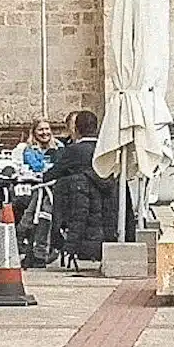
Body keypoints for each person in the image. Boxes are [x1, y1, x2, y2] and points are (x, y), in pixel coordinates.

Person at [41, 109, 115, 268]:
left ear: (76, 129)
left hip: (79, 207)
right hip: (107, 208)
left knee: (44, 203)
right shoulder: (105, 150)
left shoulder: (75, 150)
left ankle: (39, 249)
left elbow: (52, 173)